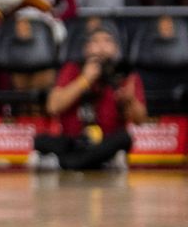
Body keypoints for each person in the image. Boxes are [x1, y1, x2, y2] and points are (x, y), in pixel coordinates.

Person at [32, 27, 147, 170]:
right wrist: (85, 80)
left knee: (124, 139)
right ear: (86, 49)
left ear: (116, 48)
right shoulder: (73, 69)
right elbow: (53, 106)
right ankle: (98, 161)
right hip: (74, 140)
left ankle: (65, 162)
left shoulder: (124, 74)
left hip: (105, 140)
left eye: (107, 41)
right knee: (40, 141)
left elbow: (140, 120)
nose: (101, 47)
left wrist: (130, 100)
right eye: (95, 42)